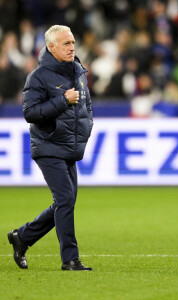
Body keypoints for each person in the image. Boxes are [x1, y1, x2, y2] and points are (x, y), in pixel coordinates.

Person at [7, 25, 93, 271]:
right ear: (51, 47)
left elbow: (86, 106)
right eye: (66, 43)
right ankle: (70, 259)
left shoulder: (78, 71)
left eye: (73, 42)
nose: (72, 47)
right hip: (48, 146)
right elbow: (30, 113)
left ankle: (22, 237)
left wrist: (88, 126)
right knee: (65, 199)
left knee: (65, 203)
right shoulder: (38, 77)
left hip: (69, 147)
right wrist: (62, 100)